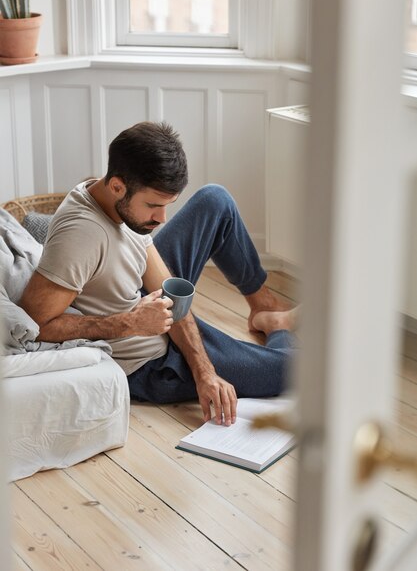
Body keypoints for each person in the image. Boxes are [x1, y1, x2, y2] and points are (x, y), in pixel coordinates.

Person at [20, 121, 298, 427]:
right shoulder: (82, 236)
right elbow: (36, 325)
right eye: (153, 205)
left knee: (214, 200)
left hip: (144, 305)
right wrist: (132, 323)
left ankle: (263, 306)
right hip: (151, 363)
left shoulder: (116, 203)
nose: (162, 218)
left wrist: (204, 368)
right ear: (116, 186)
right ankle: (276, 327)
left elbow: (169, 292)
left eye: (167, 206)